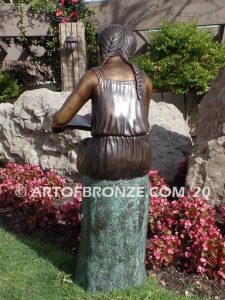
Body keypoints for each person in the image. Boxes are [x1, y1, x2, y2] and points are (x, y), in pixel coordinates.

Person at [51, 24, 153, 293]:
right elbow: (139, 120)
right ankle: (131, 275)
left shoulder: (94, 77)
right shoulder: (145, 79)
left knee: (87, 148)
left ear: (104, 48)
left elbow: (60, 119)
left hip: (106, 158)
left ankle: (97, 277)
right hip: (140, 156)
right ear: (128, 48)